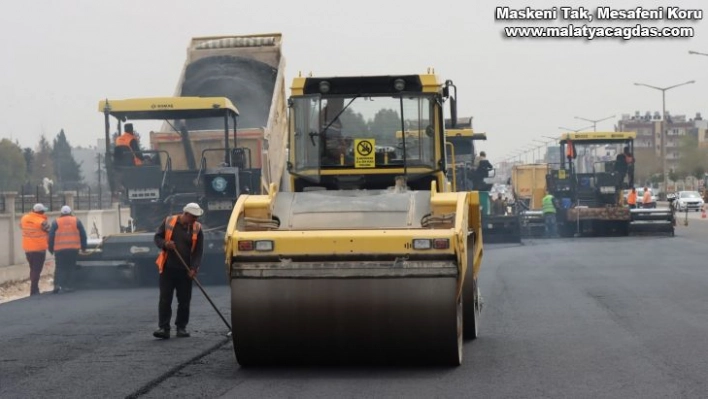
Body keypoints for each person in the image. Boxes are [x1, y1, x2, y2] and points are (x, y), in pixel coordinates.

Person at [152, 203, 204, 339]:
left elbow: (198, 251)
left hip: (185, 271)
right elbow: (157, 238)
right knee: (165, 299)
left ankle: (181, 327)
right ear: (185, 214)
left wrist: (193, 268)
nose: (195, 220)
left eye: (196, 217)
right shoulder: (169, 221)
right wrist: (165, 244)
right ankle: (163, 328)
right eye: (193, 217)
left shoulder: (197, 228)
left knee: (184, 300)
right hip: (168, 268)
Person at [48, 206, 87, 293]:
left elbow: (50, 237)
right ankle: (69, 286)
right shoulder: (76, 221)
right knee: (71, 267)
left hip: (59, 250)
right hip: (73, 249)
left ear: (61, 213)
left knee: (59, 268)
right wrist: (84, 247)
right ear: (70, 212)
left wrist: (50, 248)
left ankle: (57, 285)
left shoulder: (56, 222)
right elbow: (83, 234)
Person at [20, 203, 50, 296]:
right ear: (42, 212)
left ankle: (35, 288)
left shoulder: (24, 218)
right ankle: (34, 290)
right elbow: (50, 231)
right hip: (39, 250)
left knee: (33, 269)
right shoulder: (42, 221)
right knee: (36, 270)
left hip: (28, 249)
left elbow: (21, 226)